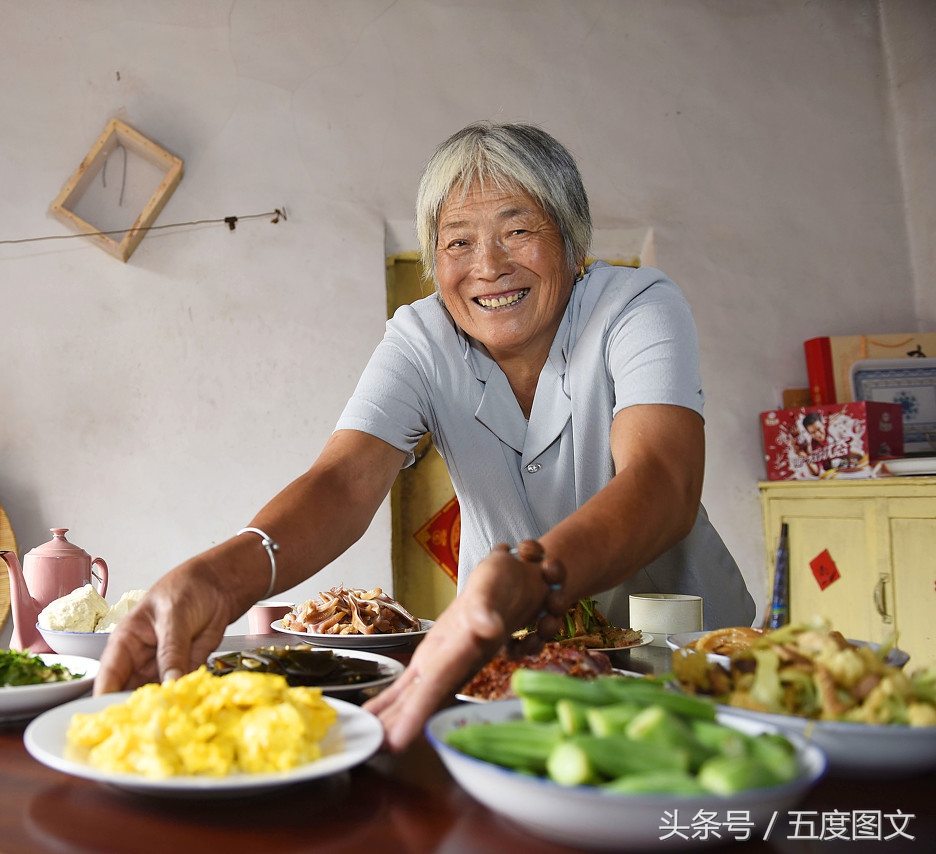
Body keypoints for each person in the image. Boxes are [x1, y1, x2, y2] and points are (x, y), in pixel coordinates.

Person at [95, 120, 756, 750]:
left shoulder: (636, 306)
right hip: (503, 658)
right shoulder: (421, 336)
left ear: (574, 242)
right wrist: (220, 575)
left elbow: (663, 481)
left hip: (677, 660)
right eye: (457, 241)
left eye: (518, 229)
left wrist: (533, 581)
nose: (487, 266)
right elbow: (343, 482)